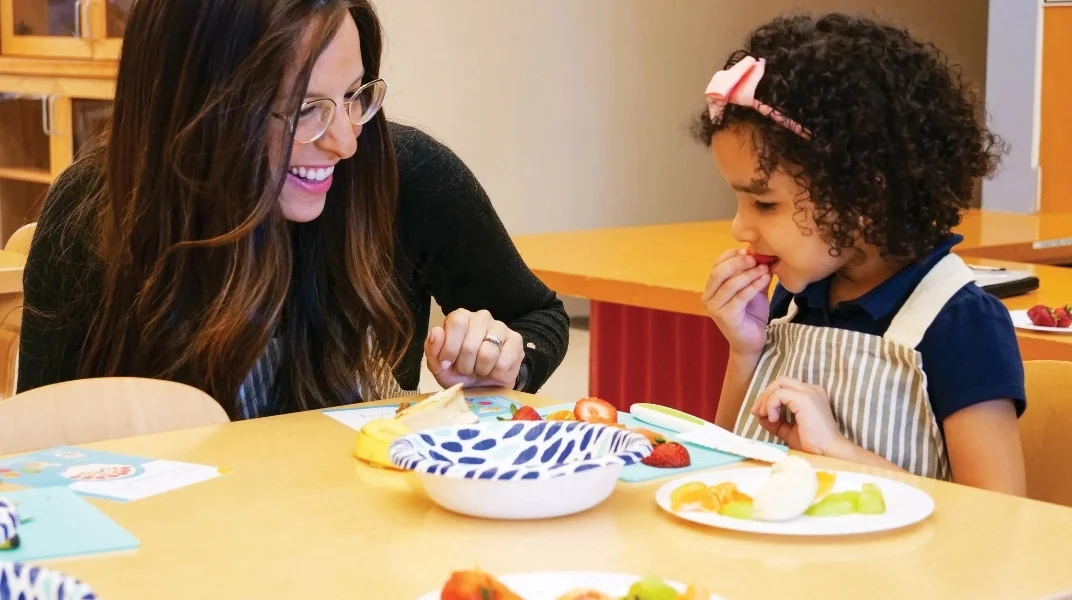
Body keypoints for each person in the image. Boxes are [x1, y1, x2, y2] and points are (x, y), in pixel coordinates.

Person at [17, 0, 569, 420]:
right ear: (195, 111)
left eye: (355, 96)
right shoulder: (91, 212)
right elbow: (43, 458)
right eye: (305, 109)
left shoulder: (408, 175)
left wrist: (498, 357)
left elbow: (535, 317)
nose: (345, 144)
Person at [697, 13, 1026, 494]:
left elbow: (999, 517)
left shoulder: (958, 323)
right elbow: (731, 463)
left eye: (764, 203)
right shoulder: (796, 299)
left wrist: (839, 453)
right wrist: (746, 351)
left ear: (863, 199)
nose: (739, 226)